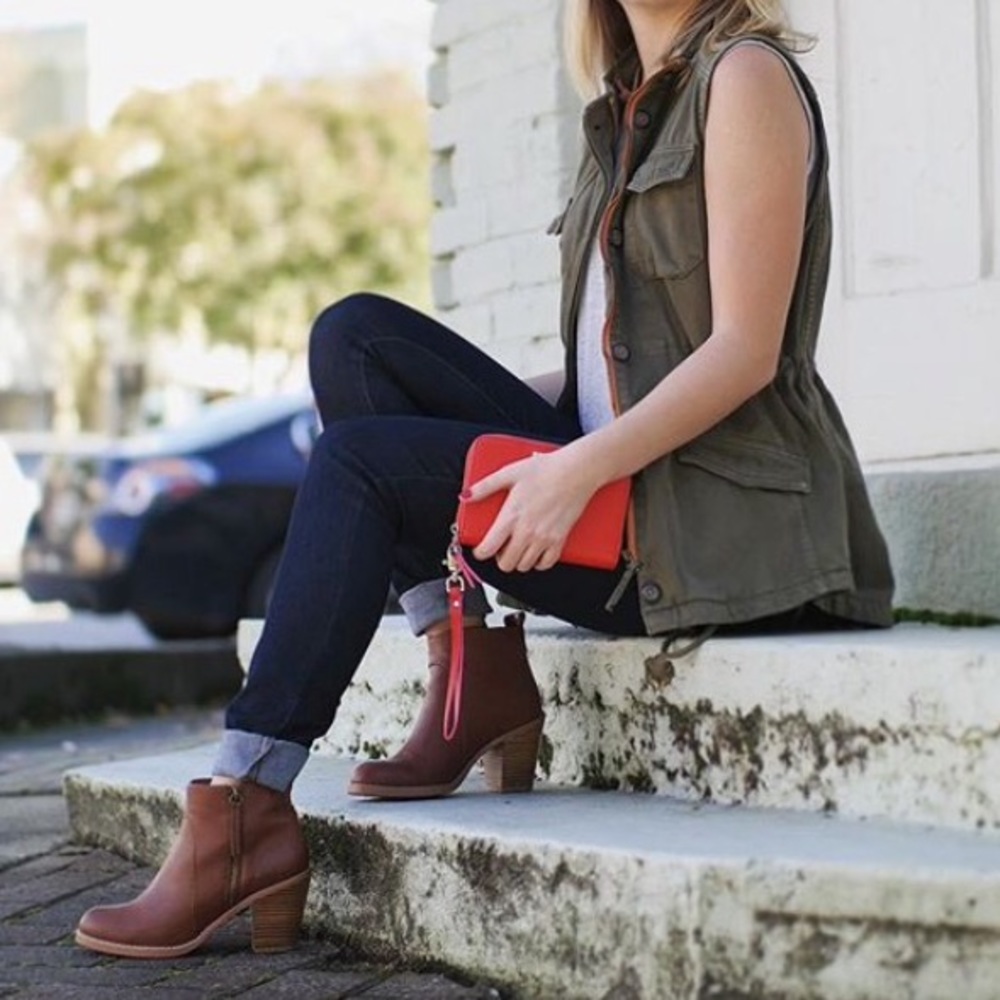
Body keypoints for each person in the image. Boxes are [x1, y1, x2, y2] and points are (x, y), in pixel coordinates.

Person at [75, 0, 894, 960]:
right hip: (631, 479)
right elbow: (612, 365)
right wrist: (502, 435)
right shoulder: (631, 103)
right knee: (356, 338)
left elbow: (745, 353)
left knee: (357, 461)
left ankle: (246, 806)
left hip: (716, 523)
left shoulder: (745, 77)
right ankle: (469, 663)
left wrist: (566, 472)